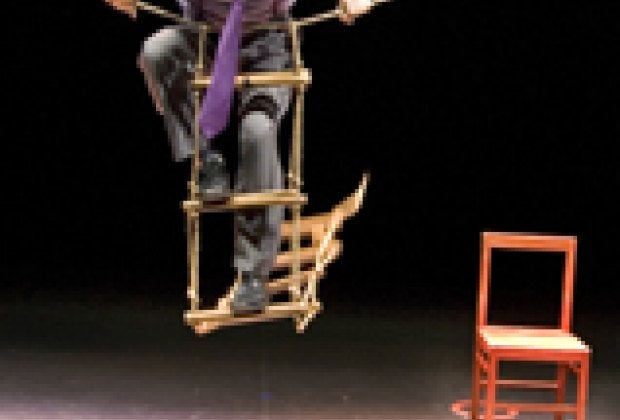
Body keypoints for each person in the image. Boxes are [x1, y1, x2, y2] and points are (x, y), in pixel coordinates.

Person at [104, 0, 373, 313]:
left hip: (268, 42)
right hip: (205, 36)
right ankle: (206, 159)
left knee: (257, 132)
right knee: (158, 51)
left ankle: (253, 275)